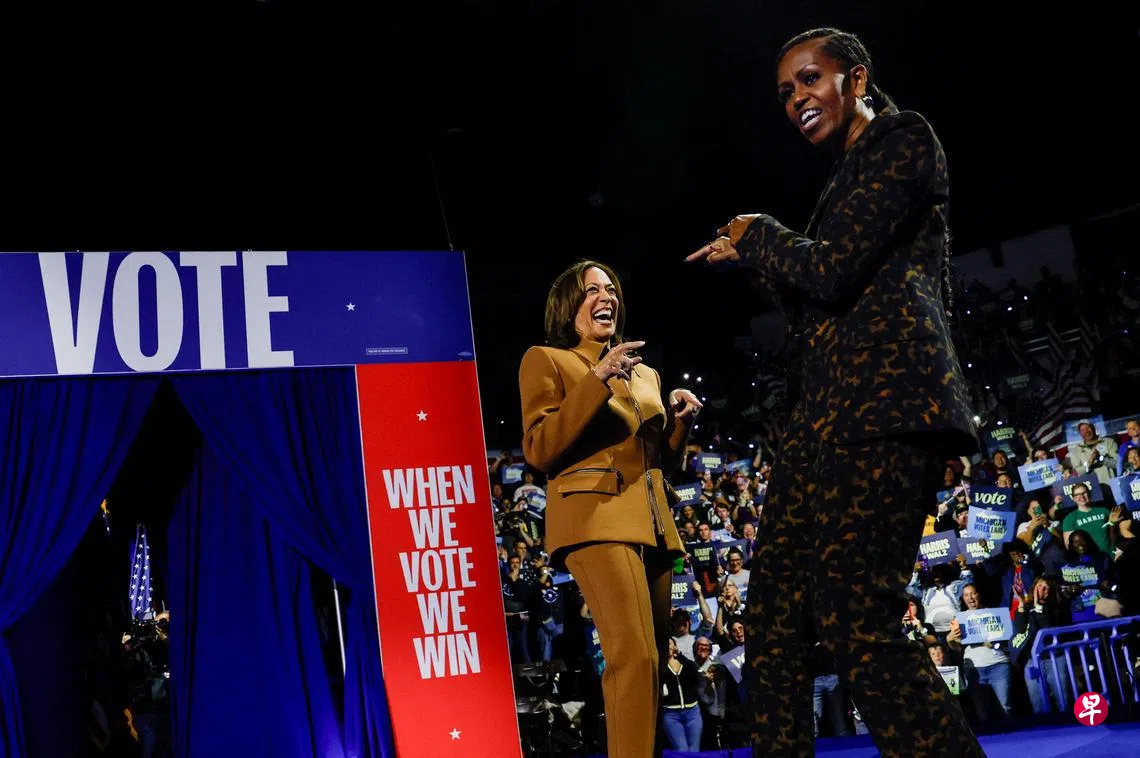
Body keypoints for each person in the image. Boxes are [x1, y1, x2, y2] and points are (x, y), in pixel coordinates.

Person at [686, 27, 983, 757]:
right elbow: (820, 299)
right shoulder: (842, 179)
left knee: (858, 619)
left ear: (856, 78)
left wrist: (758, 233)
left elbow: (833, 269)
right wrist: (755, 262)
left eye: (809, 79)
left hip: (885, 409)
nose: (796, 99)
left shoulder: (903, 139)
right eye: (785, 92)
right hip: (818, 421)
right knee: (772, 622)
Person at [518, 259, 702, 758]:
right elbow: (539, 447)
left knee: (652, 662)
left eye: (611, 289)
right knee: (634, 658)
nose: (607, 297)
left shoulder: (645, 374)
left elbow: (662, 462)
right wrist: (597, 378)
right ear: (568, 306)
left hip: (653, 524)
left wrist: (680, 424)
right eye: (592, 290)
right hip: (595, 520)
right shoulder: (548, 360)